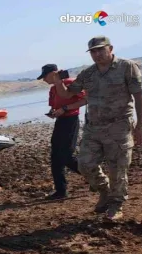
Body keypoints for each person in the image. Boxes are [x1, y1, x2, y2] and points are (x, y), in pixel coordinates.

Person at [52, 36, 142, 220]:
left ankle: (116, 205)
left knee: (117, 168)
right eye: (93, 51)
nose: (96, 54)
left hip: (119, 125)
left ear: (110, 48)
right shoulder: (88, 74)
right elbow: (67, 94)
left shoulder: (127, 67)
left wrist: (141, 124)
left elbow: (139, 96)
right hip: (94, 127)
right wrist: (58, 81)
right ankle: (104, 191)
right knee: (84, 164)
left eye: (100, 50)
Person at [37, 63, 88, 200]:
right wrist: (53, 113)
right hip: (61, 122)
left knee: (66, 156)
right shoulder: (53, 89)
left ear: (53, 74)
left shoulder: (70, 83)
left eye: (44, 76)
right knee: (55, 156)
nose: (44, 80)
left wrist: (65, 108)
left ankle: (93, 177)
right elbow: (56, 106)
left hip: (71, 121)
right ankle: (61, 190)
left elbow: (85, 100)